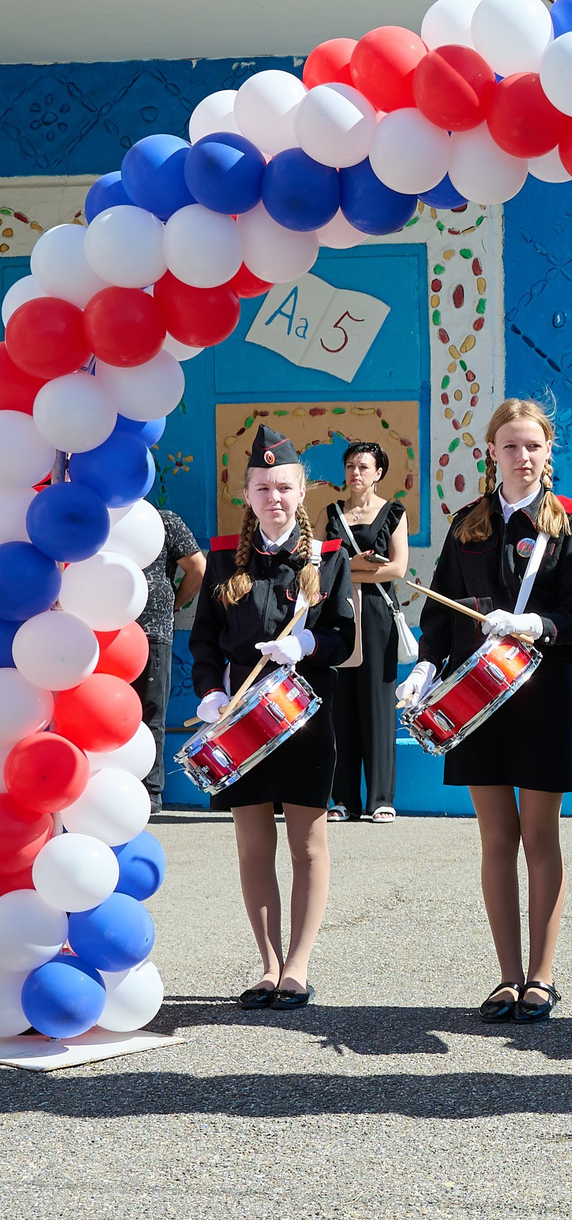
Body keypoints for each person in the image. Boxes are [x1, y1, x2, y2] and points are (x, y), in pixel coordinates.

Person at [401, 398, 572, 1025]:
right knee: (496, 839)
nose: (523, 457)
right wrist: (427, 666)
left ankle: (542, 977)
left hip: (539, 698)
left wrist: (535, 623)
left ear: (549, 452)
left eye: (533, 446)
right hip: (474, 702)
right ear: (492, 452)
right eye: (511, 446)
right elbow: (439, 611)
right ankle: (507, 975)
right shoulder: (468, 524)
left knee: (540, 836)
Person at [190, 426, 356, 1009]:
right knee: (252, 845)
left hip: (305, 718)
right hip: (239, 724)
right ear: (248, 494)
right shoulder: (219, 561)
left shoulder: (328, 559)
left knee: (307, 845)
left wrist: (308, 643)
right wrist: (210, 693)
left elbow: (345, 638)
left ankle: (298, 967)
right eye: (263, 487)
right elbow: (205, 643)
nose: (274, 497)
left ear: (301, 491)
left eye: (284, 486)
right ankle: (266, 965)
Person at [322, 441, 408, 823]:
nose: (355, 473)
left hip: (376, 612)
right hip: (340, 610)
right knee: (340, 703)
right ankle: (344, 799)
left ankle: (381, 798)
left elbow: (397, 569)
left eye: (363, 467)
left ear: (378, 473)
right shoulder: (332, 513)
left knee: (377, 701)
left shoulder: (393, 512)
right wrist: (352, 570)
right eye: (350, 466)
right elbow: (324, 567)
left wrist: (351, 569)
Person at [135, 505, 205, 814]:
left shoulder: (164, 520)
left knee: (151, 715)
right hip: (104, 634)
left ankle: (150, 792)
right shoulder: (98, 519)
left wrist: (172, 604)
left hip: (152, 633)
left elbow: (197, 568)